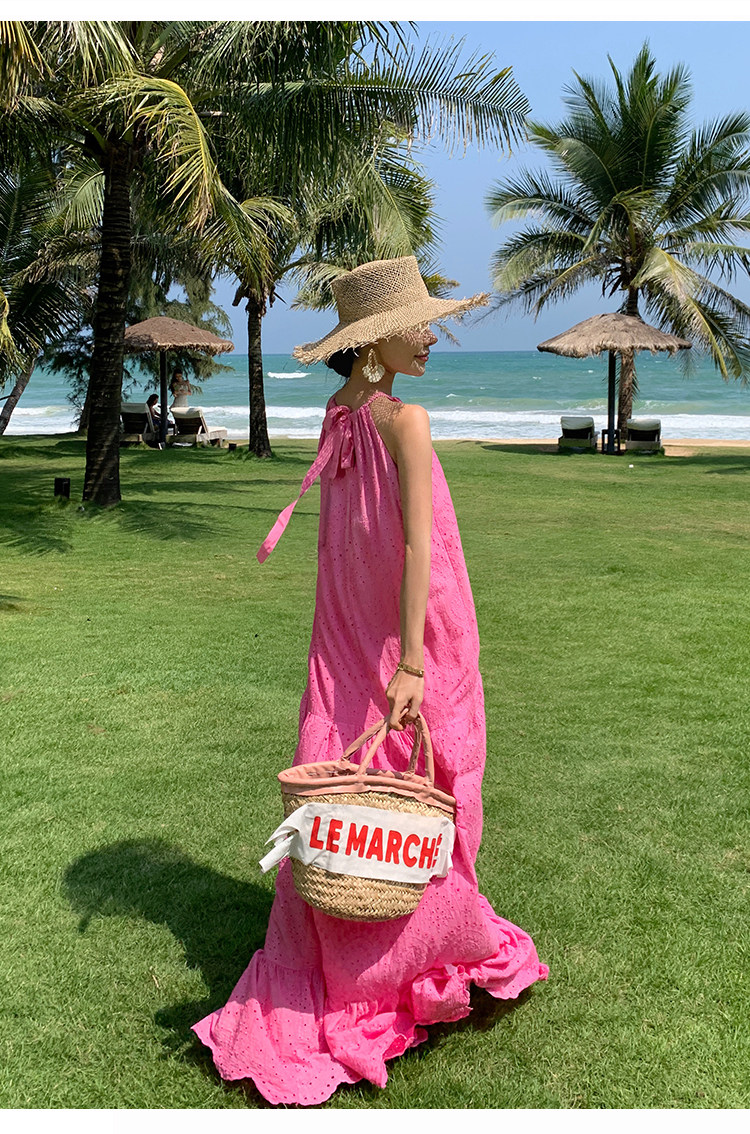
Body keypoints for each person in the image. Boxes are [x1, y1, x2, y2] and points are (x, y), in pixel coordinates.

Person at [191, 256, 548, 1106]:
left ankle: (360, 958)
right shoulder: (404, 420)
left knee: (350, 792)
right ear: (372, 342)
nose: (431, 336)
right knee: (429, 784)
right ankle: (404, 967)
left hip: (348, 629)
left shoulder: (340, 411)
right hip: (411, 634)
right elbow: (418, 545)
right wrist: (414, 661)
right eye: (417, 325)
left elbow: (347, 538)